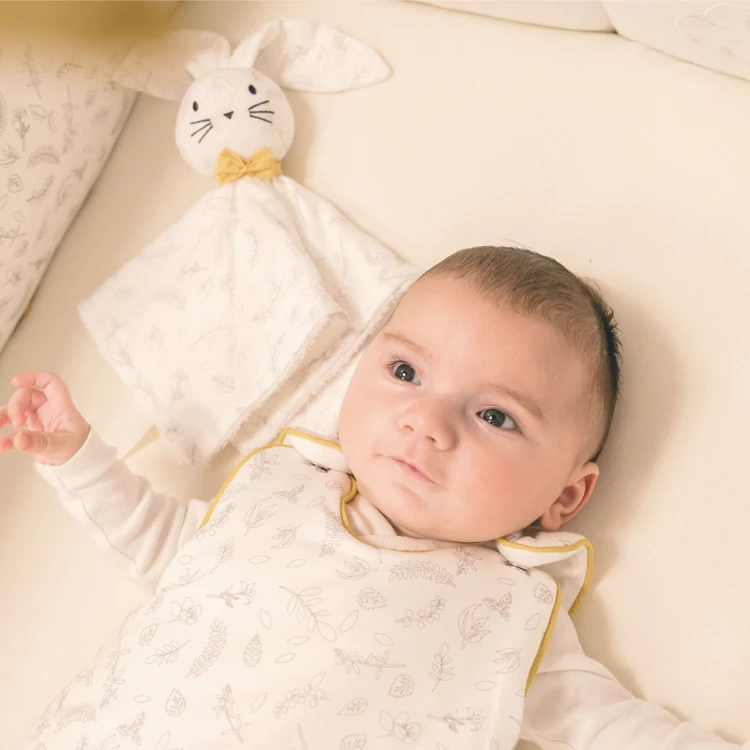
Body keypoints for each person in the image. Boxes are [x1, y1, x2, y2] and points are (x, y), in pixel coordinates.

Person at [2, 246, 745, 749]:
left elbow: (611, 729)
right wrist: (76, 455)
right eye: (405, 372)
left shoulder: (508, 620)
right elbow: (170, 550)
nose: (427, 423)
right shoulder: (278, 496)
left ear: (565, 497)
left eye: (494, 416)